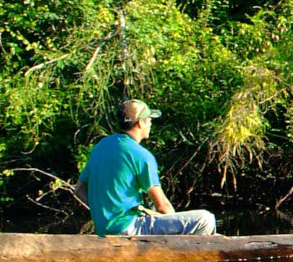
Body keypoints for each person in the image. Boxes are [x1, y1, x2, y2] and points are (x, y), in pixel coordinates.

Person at [76, 99, 218, 237]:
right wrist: (177, 230)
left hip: (104, 229)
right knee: (205, 219)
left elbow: (79, 190)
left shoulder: (100, 147)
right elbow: (163, 206)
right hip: (129, 227)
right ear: (140, 123)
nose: (150, 123)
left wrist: (103, 211)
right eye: (149, 119)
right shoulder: (141, 155)